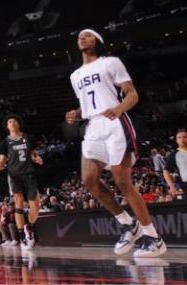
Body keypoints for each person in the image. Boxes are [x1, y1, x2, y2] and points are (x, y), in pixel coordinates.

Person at [65, 28, 166, 257]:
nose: (82, 38)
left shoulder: (110, 62)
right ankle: (129, 224)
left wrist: (119, 109)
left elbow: (132, 94)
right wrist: (77, 114)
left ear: (98, 42)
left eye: (88, 35)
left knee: (122, 181)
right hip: (93, 125)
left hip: (115, 123)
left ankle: (153, 238)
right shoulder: (75, 76)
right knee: (88, 180)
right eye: (79, 36)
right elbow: (91, 103)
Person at [0, 114, 43, 248]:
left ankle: (29, 227)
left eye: (14, 121)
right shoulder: (4, 142)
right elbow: (2, 161)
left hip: (29, 174)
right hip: (14, 175)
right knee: (19, 203)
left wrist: (36, 158)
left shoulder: (29, 138)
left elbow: (33, 154)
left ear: (18, 124)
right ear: (7, 126)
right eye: (9, 121)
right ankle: (23, 237)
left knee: (35, 207)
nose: (12, 123)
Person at [162, 129, 187, 200]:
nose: (182, 139)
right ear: (177, 140)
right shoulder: (174, 154)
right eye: (179, 137)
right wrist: (171, 186)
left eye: (185, 137)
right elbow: (166, 171)